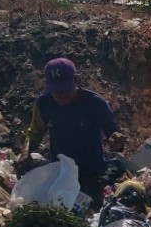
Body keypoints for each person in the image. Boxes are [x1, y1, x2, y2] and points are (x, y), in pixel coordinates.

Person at [19, 57, 124, 209]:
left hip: (90, 173)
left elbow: (113, 133)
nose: (60, 95)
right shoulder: (43, 103)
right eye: (55, 90)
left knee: (88, 212)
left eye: (65, 89)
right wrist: (26, 152)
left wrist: (117, 141)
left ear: (77, 80)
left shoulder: (95, 103)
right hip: (61, 170)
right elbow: (35, 133)